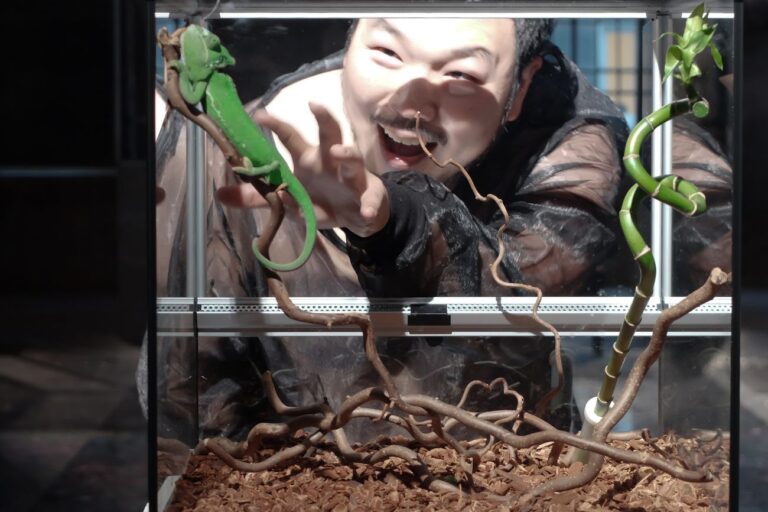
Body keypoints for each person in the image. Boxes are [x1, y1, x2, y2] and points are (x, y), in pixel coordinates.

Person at [154, 18, 629, 441]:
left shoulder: (571, 141)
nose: (410, 105)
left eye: (461, 74)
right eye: (386, 53)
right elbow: (197, 381)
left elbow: (520, 290)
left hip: (498, 459)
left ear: (520, 87)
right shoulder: (247, 140)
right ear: (350, 41)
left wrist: (388, 219)